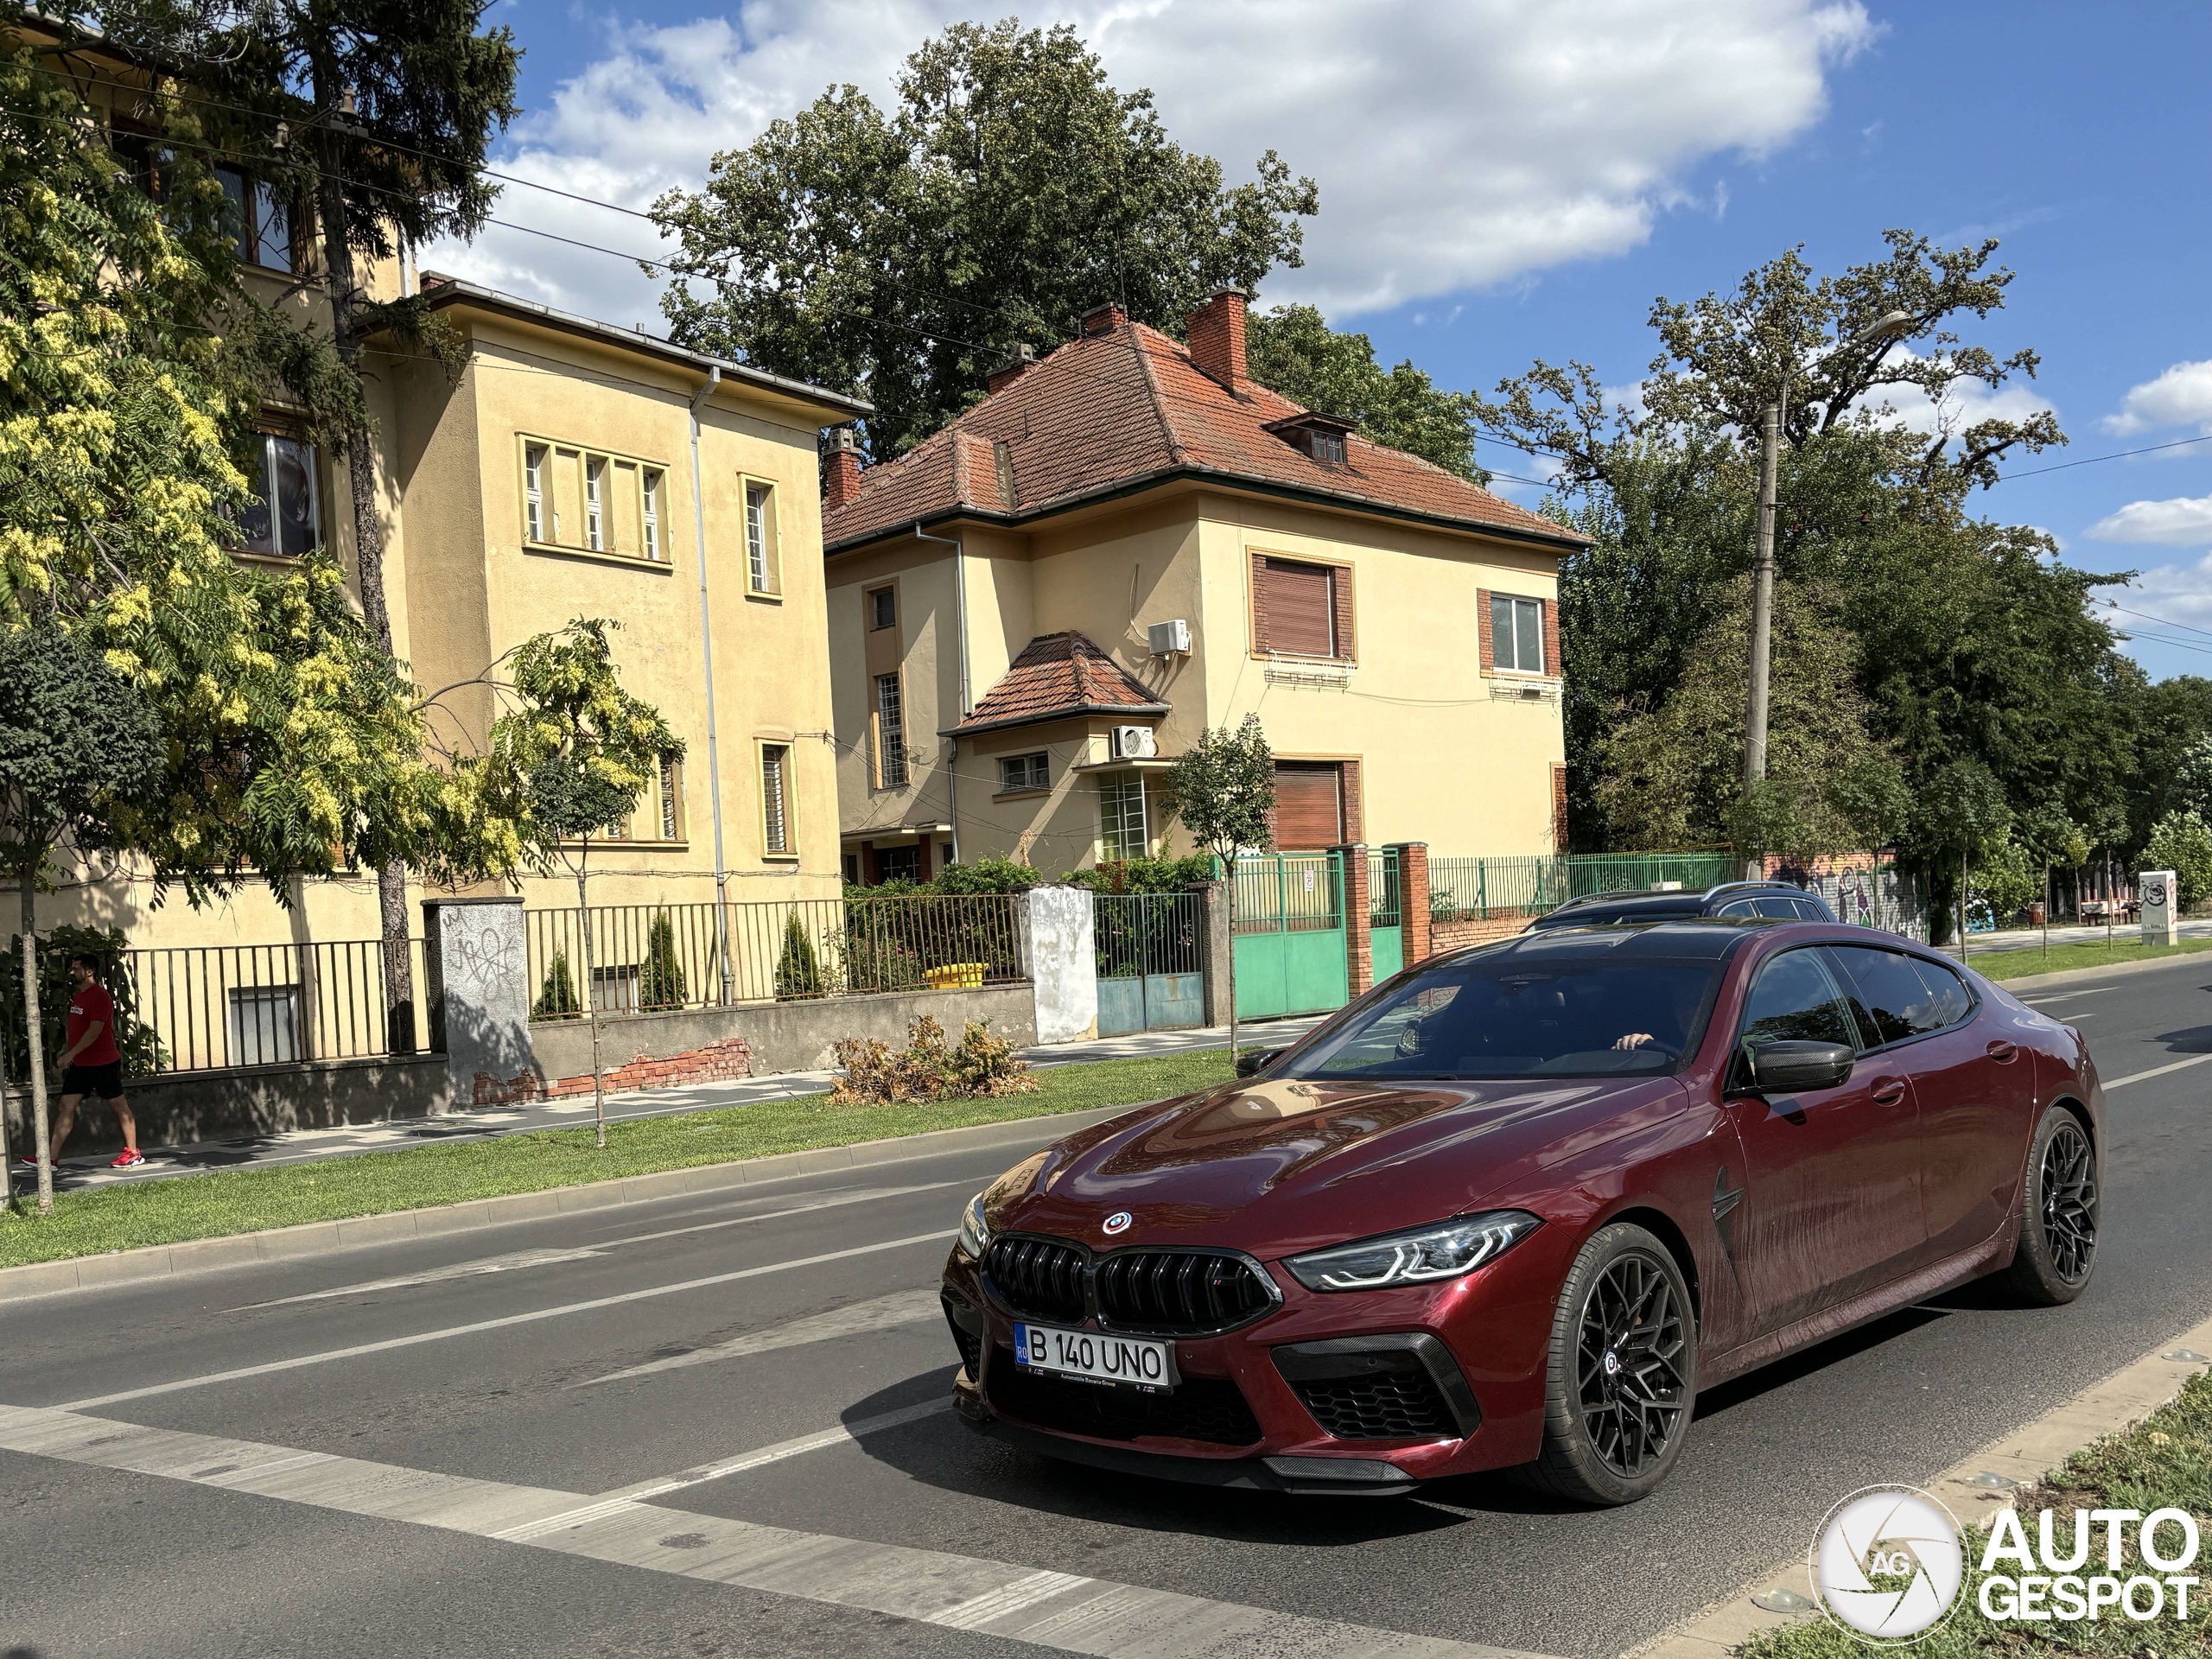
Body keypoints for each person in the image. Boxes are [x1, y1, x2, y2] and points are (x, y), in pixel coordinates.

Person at [20, 953, 142, 1171]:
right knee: (66, 1105)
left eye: (76, 968)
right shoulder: (79, 996)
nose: (71, 971)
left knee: (118, 1105)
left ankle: (133, 1153)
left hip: (104, 1063)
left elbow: (94, 1031)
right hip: (82, 1065)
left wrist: (69, 1055)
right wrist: (72, 1055)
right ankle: (49, 1159)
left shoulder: (100, 996)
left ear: (89, 971)